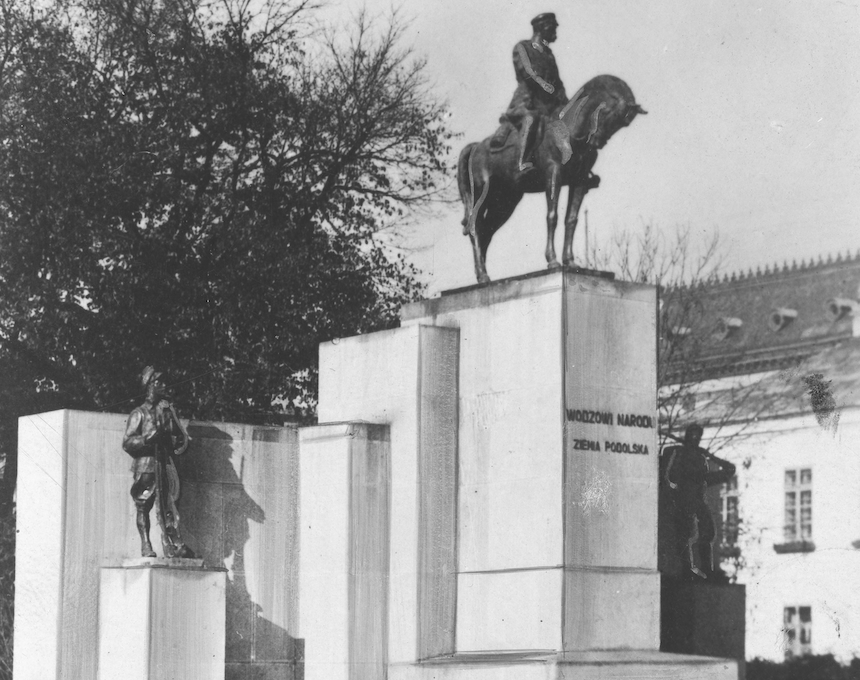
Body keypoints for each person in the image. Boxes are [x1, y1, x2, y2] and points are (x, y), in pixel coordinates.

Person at [122, 366, 195, 558]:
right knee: (143, 504)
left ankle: (173, 543)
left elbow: (180, 439)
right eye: (159, 382)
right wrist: (147, 439)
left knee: (169, 505)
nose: (163, 386)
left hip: (165, 464)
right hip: (146, 465)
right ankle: (146, 544)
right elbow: (128, 442)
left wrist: (176, 437)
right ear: (149, 385)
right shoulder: (139, 414)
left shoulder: (167, 412)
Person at [663, 424, 736, 579]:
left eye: (698, 436)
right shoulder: (679, 453)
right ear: (687, 437)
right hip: (684, 499)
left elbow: (730, 469)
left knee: (708, 532)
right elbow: (668, 473)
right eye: (692, 435)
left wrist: (711, 456)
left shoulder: (700, 457)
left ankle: (706, 570)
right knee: (684, 535)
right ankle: (686, 569)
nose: (695, 439)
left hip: (698, 498)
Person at [499, 12, 569, 174]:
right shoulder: (522, 47)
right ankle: (521, 162)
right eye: (552, 28)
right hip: (527, 102)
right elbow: (526, 70)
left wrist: (566, 102)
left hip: (549, 106)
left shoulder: (549, 55)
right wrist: (543, 84)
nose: (555, 31)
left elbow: (557, 82)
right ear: (541, 28)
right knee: (530, 120)